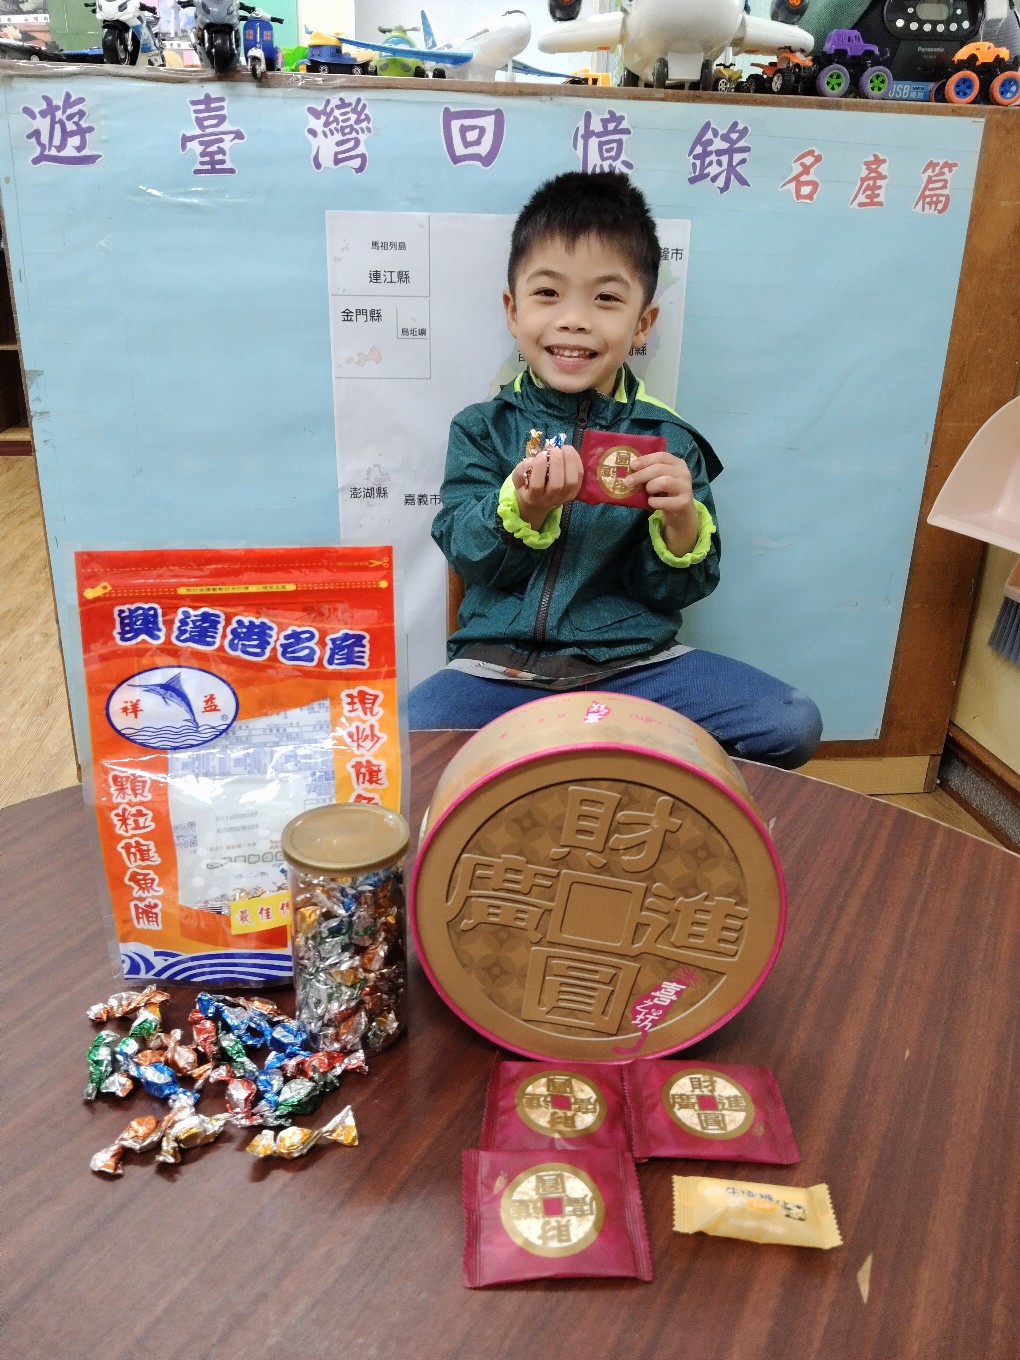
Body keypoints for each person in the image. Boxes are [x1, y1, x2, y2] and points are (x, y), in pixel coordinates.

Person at [408, 171, 822, 769]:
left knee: (788, 721)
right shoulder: (482, 427)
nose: (575, 320)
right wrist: (525, 509)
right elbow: (468, 554)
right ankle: (597, 764)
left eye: (605, 299)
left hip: (637, 669)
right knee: (403, 739)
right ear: (513, 310)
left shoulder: (669, 442)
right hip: (500, 672)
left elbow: (673, 591)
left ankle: (625, 778)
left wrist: (681, 523)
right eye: (548, 294)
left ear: (642, 324)